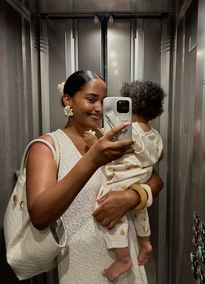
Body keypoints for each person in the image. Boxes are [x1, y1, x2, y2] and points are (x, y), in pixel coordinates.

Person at [26, 70, 164, 284]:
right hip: (81, 266)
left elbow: (154, 178)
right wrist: (93, 160)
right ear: (68, 100)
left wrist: (131, 197)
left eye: (103, 101)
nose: (99, 109)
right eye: (91, 99)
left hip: (127, 258)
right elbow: (40, 215)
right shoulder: (48, 147)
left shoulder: (112, 138)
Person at [84, 80, 165, 281]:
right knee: (140, 212)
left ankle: (122, 259)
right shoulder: (155, 135)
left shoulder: (129, 129)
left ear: (130, 106)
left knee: (115, 217)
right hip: (139, 182)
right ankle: (145, 242)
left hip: (120, 182)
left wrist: (94, 142)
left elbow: (109, 147)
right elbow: (160, 156)